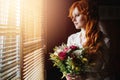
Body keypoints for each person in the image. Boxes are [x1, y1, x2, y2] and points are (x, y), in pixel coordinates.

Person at [67, 0, 110, 80]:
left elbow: (107, 71)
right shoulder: (72, 39)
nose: (73, 20)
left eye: (77, 15)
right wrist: (69, 75)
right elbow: (69, 67)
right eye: (72, 17)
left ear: (88, 15)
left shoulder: (104, 39)